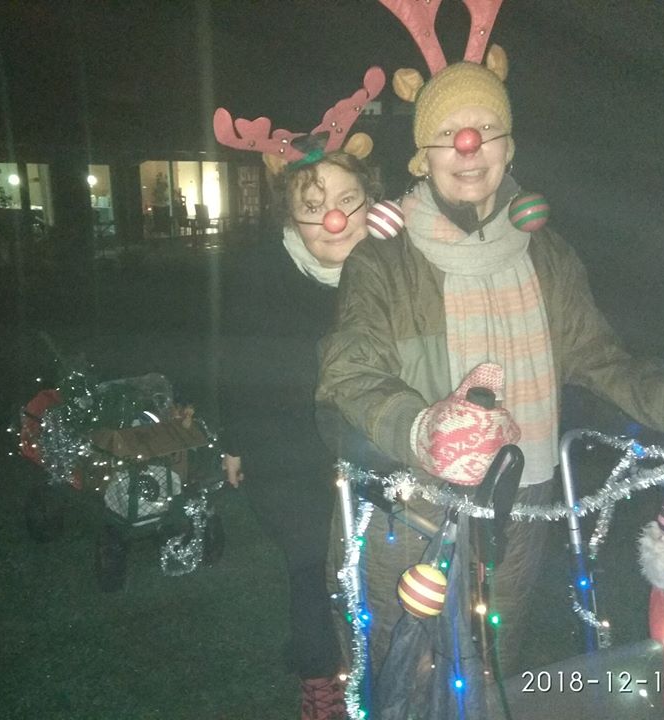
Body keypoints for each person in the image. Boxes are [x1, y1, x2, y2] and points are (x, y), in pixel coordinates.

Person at [315, 6, 664, 684]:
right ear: (423, 155)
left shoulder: (547, 254)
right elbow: (349, 373)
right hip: (412, 508)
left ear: (508, 147)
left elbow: (599, 358)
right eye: (448, 134)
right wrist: (424, 427)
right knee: (403, 671)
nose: (469, 145)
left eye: (487, 129)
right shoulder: (383, 260)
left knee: (492, 667)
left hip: (523, 505)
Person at [214, 68, 384, 720]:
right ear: (292, 213)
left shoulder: (395, 269)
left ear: (368, 200)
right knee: (314, 569)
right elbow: (237, 364)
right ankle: (321, 680)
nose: (333, 218)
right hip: (289, 457)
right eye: (313, 206)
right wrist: (235, 442)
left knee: (377, 570)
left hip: (376, 447)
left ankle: (387, 668)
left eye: (346, 199)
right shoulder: (262, 274)